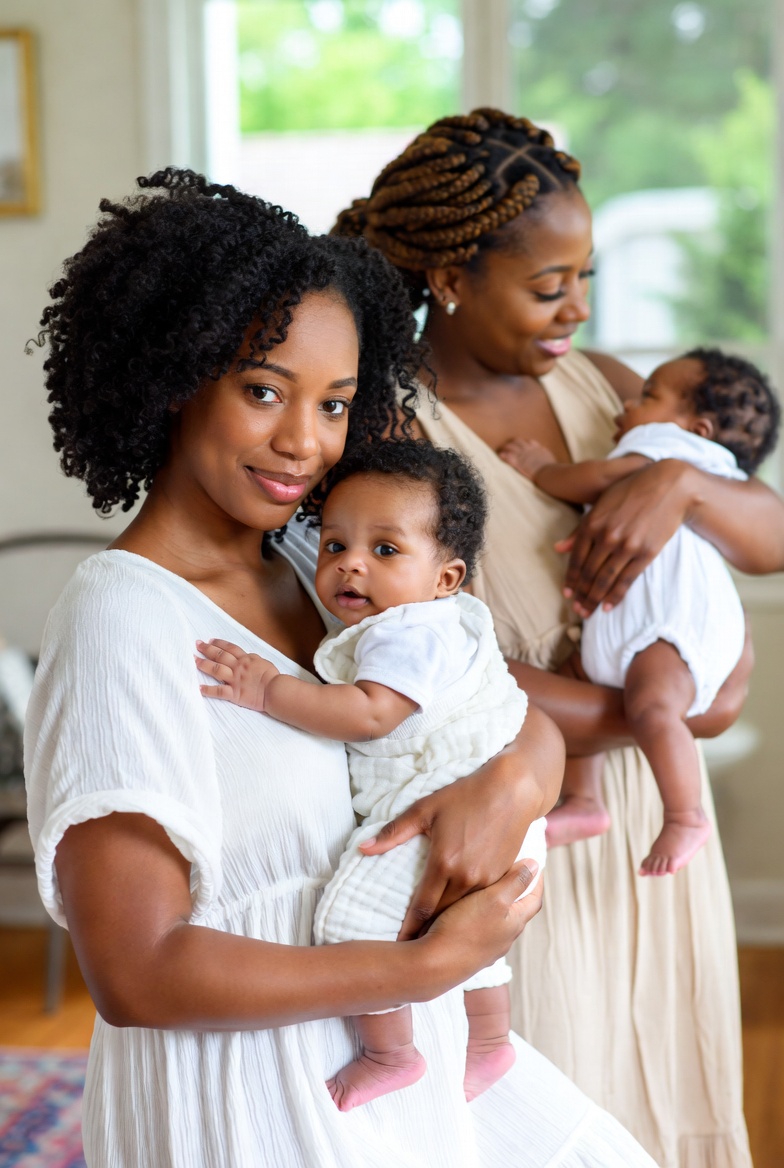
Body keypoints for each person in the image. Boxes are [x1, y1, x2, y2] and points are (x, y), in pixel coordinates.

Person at [24, 169, 658, 1168]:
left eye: (335, 404)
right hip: (251, 1102)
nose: (303, 443)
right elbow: (136, 973)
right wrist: (420, 965)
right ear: (174, 373)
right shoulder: (123, 619)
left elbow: (499, 711)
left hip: (401, 1066)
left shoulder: (326, 574)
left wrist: (510, 784)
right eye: (264, 391)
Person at [333, 107, 784, 1166]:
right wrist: (667, 711)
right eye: (549, 286)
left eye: (585, 278)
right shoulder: (390, 432)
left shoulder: (616, 397)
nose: (576, 309)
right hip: (520, 822)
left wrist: (678, 485)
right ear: (451, 273)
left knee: (665, 1092)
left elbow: (768, 539)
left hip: (649, 830)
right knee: (552, 1108)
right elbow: (441, 674)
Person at [196, 438, 548, 1111]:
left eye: (384, 551)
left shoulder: (406, 634)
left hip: (445, 812)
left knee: (355, 928)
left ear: (446, 578)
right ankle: (491, 1041)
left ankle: (391, 1051)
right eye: (334, 546)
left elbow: (370, 713)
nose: (350, 565)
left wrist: (268, 690)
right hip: (503, 817)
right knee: (474, 928)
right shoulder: (441, 623)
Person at [499, 347, 780, 874]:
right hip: (630, 626)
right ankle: (584, 801)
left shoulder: (669, 452)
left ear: (696, 427)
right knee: (578, 681)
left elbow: (595, 479)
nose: (630, 402)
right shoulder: (709, 466)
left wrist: (543, 469)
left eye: (649, 396)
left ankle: (685, 815)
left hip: (668, 628)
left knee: (654, 707)